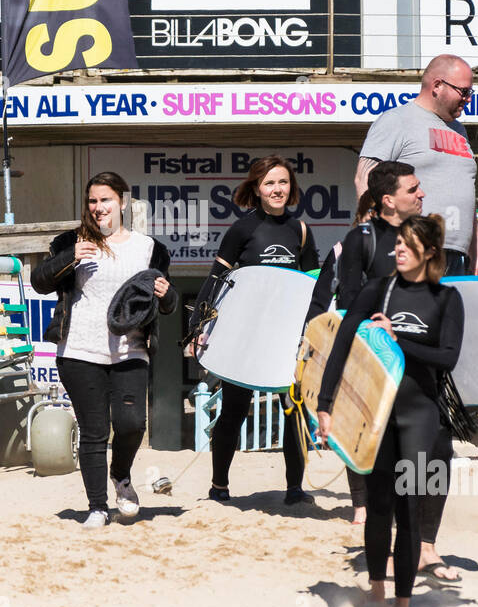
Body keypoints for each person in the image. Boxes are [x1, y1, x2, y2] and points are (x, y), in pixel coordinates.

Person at [315, 215, 464, 607]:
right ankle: (377, 593)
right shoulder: (377, 290)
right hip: (378, 414)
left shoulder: (446, 299)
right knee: (379, 506)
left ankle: (404, 604)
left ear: (429, 253)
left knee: (409, 506)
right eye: (397, 242)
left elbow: (447, 358)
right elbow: (344, 340)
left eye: (408, 244)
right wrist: (326, 402)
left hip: (420, 413)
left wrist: (401, 341)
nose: (397, 249)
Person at [32, 172, 177, 528]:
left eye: (106, 200)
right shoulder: (70, 241)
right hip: (79, 348)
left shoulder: (151, 248)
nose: (99, 208)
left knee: (131, 423)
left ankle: (122, 475)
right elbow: (39, 282)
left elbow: (168, 303)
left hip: (130, 348)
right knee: (94, 431)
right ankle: (97, 506)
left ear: (122, 202)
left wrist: (167, 295)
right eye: (93, 201)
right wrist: (68, 257)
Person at [192, 155, 318, 505]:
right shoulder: (243, 230)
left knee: (294, 411)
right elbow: (217, 280)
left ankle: (295, 489)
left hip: (286, 337)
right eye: (269, 183)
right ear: (257, 189)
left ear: (290, 187)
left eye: (283, 182)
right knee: (233, 409)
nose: (277, 189)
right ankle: (219, 486)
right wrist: (197, 327)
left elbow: (313, 286)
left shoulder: (300, 231)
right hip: (247, 335)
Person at [306, 160, 422, 526]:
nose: (422, 194)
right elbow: (352, 296)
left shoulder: (424, 236)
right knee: (362, 426)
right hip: (370, 347)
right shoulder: (361, 239)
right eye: (412, 189)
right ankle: (361, 504)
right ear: (388, 200)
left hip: (413, 345)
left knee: (410, 431)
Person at [355, 54, 478, 278]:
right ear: (437, 86)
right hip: (413, 249)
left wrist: (477, 255)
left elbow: (466, 194)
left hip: (456, 256)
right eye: (464, 92)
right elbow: (365, 178)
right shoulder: (397, 120)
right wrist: (377, 239)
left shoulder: (460, 131)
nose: (468, 99)